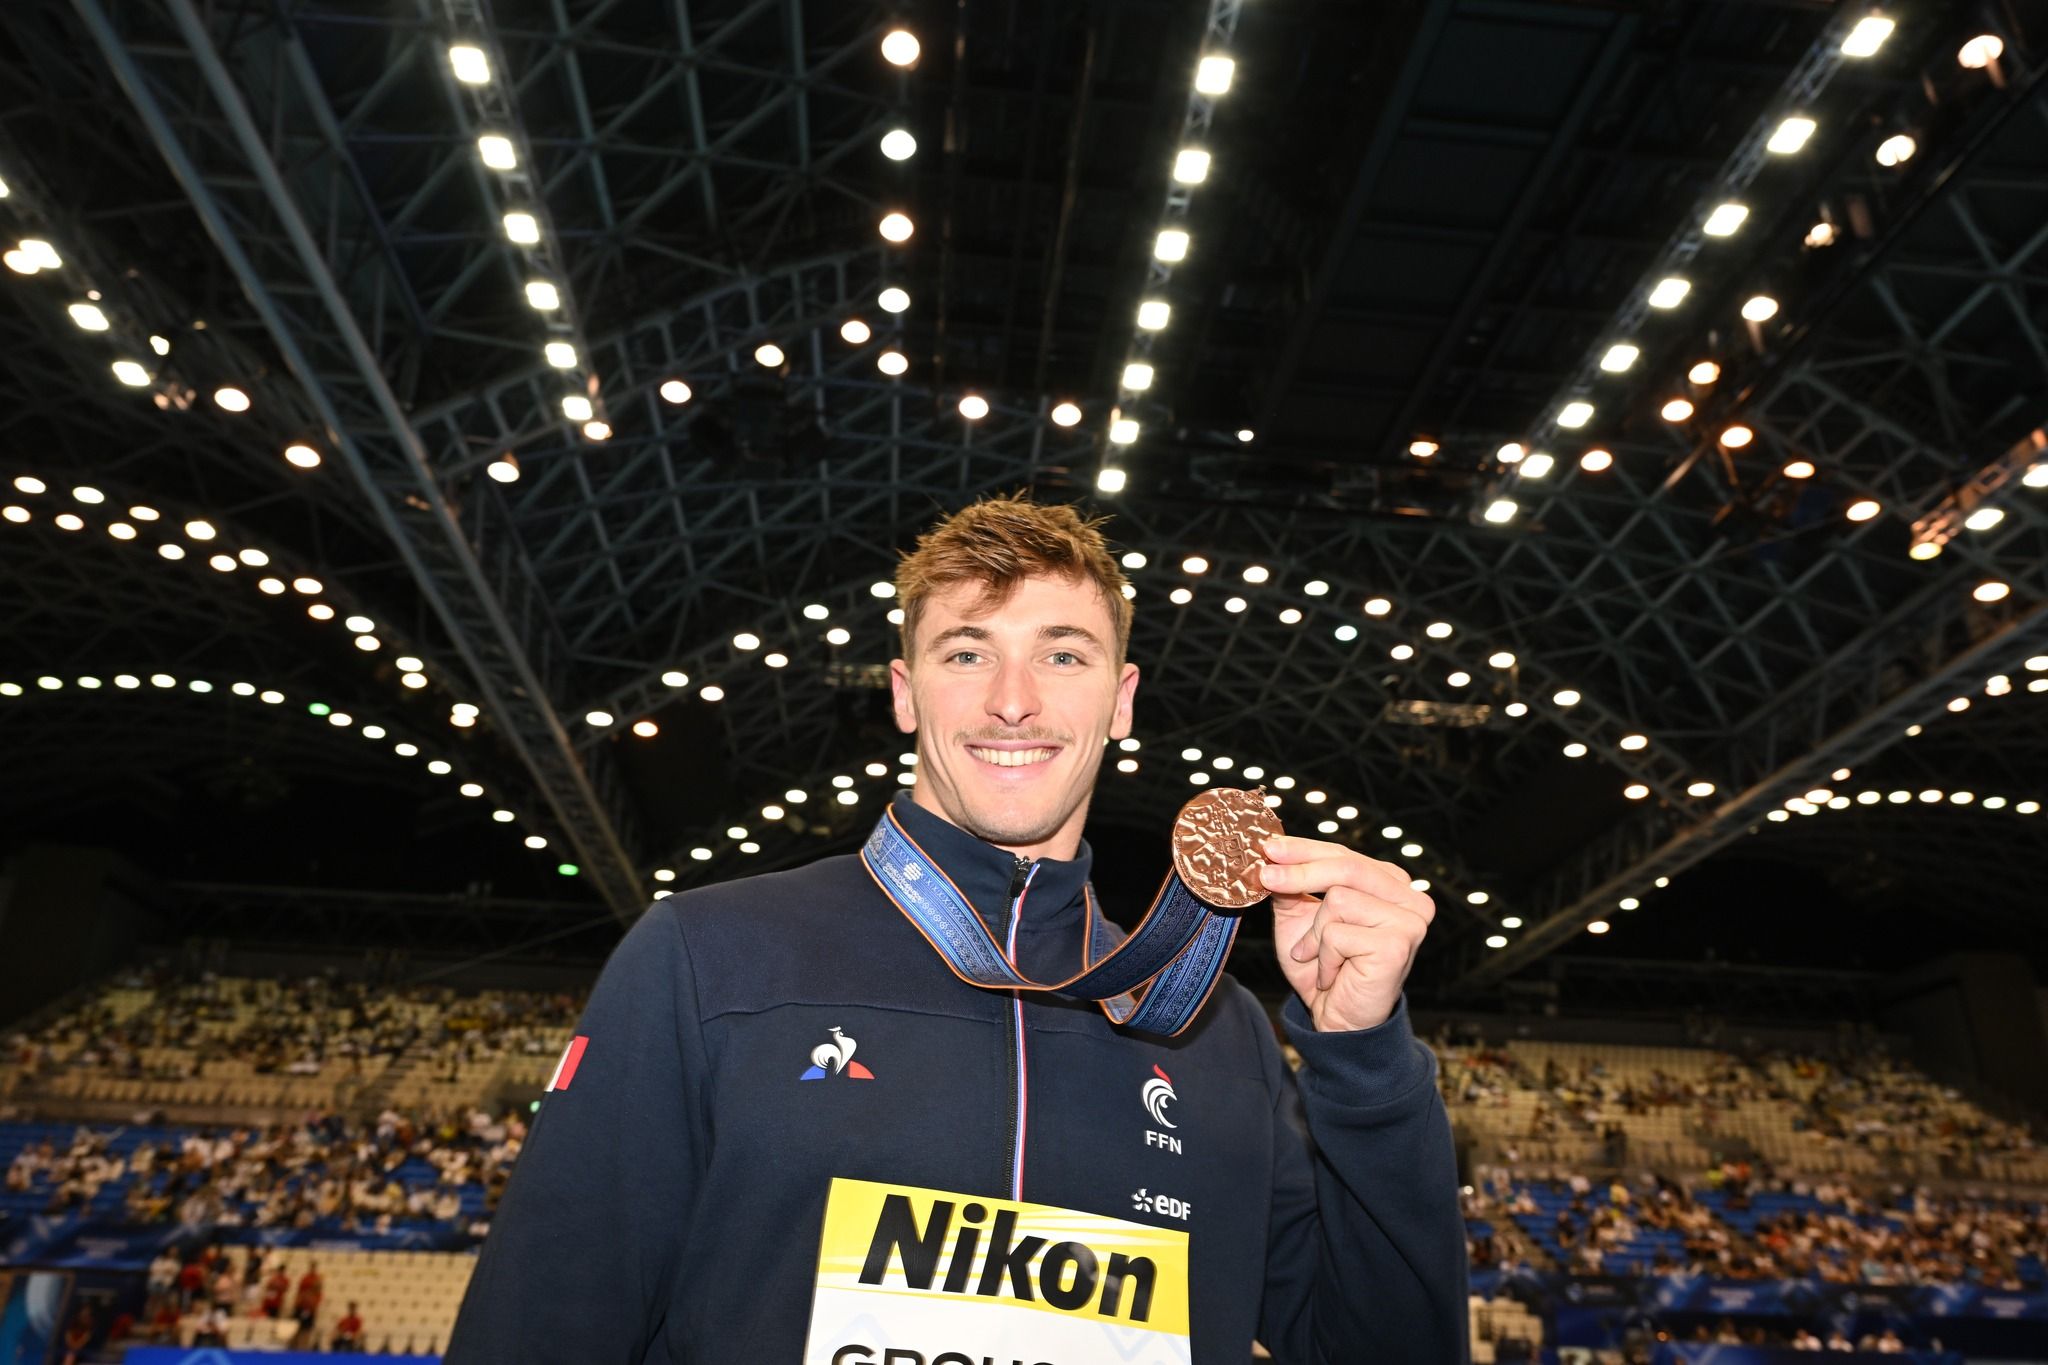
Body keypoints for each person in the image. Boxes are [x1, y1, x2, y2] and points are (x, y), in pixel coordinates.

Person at [445, 497, 1467, 1363]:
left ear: (1120, 703)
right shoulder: (711, 957)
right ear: (904, 693)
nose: (1012, 702)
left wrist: (1365, 1059)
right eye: (966, 651)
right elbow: (542, 1326)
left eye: (1061, 656)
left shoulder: (1217, 1031)